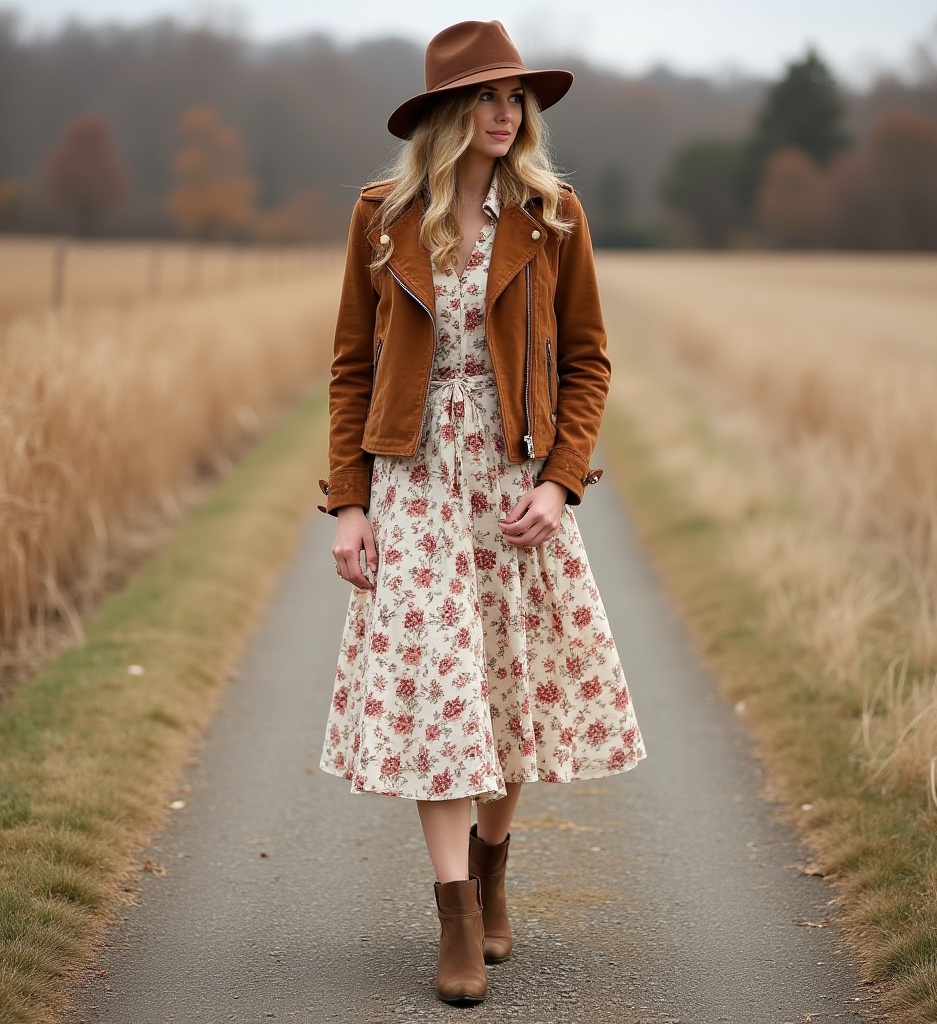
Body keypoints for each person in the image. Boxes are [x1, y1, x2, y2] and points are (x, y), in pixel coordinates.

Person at [319, 20, 645, 1006]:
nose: (506, 116)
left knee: (505, 688)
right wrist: (348, 503)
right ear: (447, 115)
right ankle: (455, 911)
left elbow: (586, 358)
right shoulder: (383, 216)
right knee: (437, 695)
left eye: (518, 101)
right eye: (488, 100)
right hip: (414, 482)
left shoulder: (551, 217)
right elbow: (350, 365)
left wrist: (560, 481)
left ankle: (495, 868)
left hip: (514, 479)